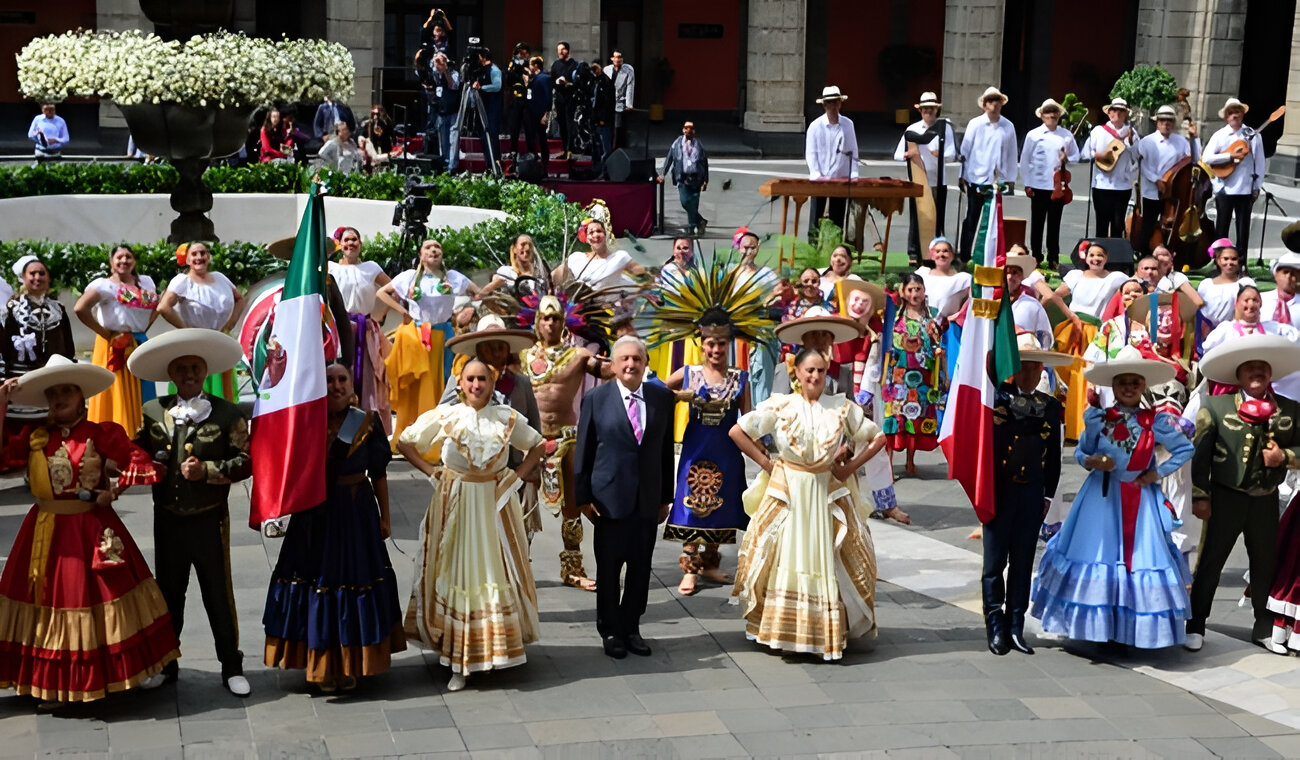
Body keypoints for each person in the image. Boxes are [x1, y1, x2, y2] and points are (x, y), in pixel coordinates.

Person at [0, 356, 175, 704]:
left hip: (90, 529)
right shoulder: (35, 438)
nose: (60, 398)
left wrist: (114, 491)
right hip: (43, 532)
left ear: (82, 397)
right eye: (54, 393)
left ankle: (119, 671)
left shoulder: (100, 433)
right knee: (45, 600)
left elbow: (140, 462)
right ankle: (45, 677)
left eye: (68, 391)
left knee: (104, 596)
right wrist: (2, 403)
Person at [1031, 345, 1194, 648]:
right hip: (1101, 499)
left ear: (1144, 384)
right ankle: (1100, 627)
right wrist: (1094, 462)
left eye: (1135, 382)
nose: (1129, 388)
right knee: (1100, 555)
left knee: (1139, 559)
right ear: (1113, 386)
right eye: (1123, 382)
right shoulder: (1098, 419)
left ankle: (1132, 629)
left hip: (1140, 500)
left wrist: (1155, 473)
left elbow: (1185, 449)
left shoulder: (1155, 421)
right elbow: (1082, 451)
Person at [398, 358, 544, 691]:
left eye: (482, 380)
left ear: (492, 384)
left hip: (494, 507)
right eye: (471, 380)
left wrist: (517, 477)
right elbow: (407, 442)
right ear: (460, 384)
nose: (476, 385)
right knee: (458, 572)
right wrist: (431, 471)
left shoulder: (506, 418)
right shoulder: (448, 415)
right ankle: (459, 659)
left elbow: (537, 445)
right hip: (457, 506)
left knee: (493, 572)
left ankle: (493, 650)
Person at [729, 349, 882, 659]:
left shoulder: (839, 407)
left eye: (820, 371)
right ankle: (782, 630)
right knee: (784, 555)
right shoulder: (782, 405)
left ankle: (821, 631)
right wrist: (766, 462)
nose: (814, 377)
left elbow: (877, 437)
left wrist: (848, 468)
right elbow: (738, 430)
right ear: (796, 372)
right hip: (790, 491)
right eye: (809, 370)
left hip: (824, 490)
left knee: (825, 556)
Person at [263, 362, 406, 691]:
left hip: (356, 514)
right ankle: (322, 664)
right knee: (317, 580)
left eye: (343, 379)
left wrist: (385, 517)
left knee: (354, 581)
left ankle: (353, 663)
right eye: (330, 379)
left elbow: (380, 474)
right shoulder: (306, 421)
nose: (337, 385)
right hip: (314, 516)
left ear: (351, 386)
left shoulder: (367, 423)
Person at [642, 256, 777, 596]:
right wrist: (685, 395)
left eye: (721, 343)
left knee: (725, 501)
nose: (716, 349)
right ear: (701, 343)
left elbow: (749, 421)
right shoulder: (689, 372)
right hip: (696, 447)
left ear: (729, 343)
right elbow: (656, 391)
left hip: (728, 451)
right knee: (691, 501)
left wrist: (763, 454)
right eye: (711, 343)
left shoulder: (740, 378)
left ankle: (712, 563)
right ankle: (689, 566)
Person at [128, 329, 253, 695]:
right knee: (169, 593)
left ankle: (231, 665)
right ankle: (167, 665)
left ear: (204, 371)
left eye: (195, 368)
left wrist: (208, 472)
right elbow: (135, 452)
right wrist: (149, 466)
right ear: (171, 374)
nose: (189, 375)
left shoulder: (228, 412)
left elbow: (246, 463)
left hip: (208, 518)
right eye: (181, 369)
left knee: (218, 593)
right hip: (167, 517)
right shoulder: (153, 411)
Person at [1187, 334, 1300, 652]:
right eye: (1250, 368)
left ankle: (1263, 626)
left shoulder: (1290, 410)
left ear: (1271, 374)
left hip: (1265, 499)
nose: (1257, 373)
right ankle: (1195, 624)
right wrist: (1200, 495)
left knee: (1266, 563)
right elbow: (1200, 456)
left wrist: (1285, 458)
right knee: (1211, 561)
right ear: (1238, 375)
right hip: (1226, 497)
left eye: (1263, 368)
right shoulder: (1216, 407)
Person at [574, 336, 675, 659]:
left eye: (636, 359)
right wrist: (583, 496)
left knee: (641, 568)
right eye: (625, 360)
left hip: (646, 500)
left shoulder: (661, 398)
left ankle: (632, 627)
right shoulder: (596, 398)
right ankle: (611, 630)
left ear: (645, 363)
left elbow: (664, 451)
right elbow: (584, 449)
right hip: (608, 500)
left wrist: (665, 497)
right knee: (608, 569)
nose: (631, 365)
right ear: (614, 365)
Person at [982, 332, 1070, 655]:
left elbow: (1055, 456)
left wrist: (1048, 494)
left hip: (1032, 492)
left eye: (1036, 368)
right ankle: (994, 625)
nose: (1031, 374)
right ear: (1015, 368)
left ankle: (1016, 626)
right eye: (1025, 367)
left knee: (1022, 563)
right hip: (1001, 489)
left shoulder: (1049, 406)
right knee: (994, 563)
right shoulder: (997, 398)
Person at [518, 296, 609, 590]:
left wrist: (626, 355)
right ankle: (515, 567)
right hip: (528, 440)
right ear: (537, 321)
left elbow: (607, 371)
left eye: (555, 318)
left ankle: (573, 568)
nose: (550, 323)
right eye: (545, 318)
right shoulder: (521, 356)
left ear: (563, 322)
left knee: (573, 507)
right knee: (518, 508)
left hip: (567, 438)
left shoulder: (578, 356)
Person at [377, 239, 478, 449]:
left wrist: (470, 310)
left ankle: (440, 438)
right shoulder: (410, 278)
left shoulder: (453, 278)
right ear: (421, 255)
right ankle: (414, 435)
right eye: (428, 247)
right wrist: (403, 311)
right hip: (418, 337)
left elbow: (478, 293)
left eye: (438, 247)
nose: (434, 250)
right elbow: (381, 292)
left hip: (445, 335)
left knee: (445, 383)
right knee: (419, 386)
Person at [73, 244, 160, 435]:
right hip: (115, 344)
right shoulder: (104, 286)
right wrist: (105, 334)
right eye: (119, 257)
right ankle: (118, 436)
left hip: (139, 342)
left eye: (128, 256)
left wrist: (144, 328)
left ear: (135, 261)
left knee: (143, 390)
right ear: (111, 263)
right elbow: (80, 308)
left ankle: (143, 435)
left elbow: (158, 305)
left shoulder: (146, 283)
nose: (124, 260)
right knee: (117, 392)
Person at [1051, 243, 1129, 441]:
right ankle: (1064, 422)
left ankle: (1081, 428)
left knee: (1084, 377)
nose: (1096, 259)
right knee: (1064, 375)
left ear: (1106, 258)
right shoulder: (1076, 276)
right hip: (1072, 329)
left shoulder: (1114, 278)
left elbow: (1135, 287)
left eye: (1100, 255)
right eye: (1092, 255)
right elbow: (1055, 295)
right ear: (1085, 257)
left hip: (1094, 332)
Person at [156, 241, 245, 400]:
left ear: (208, 257)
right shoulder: (182, 281)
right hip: (195, 343)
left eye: (203, 253)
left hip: (219, 339)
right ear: (187, 260)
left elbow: (240, 299)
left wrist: (229, 324)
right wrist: (185, 329)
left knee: (221, 386)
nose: (199, 257)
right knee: (196, 381)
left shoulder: (219, 278)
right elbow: (163, 307)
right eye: (194, 254)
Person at [328, 227, 393, 432]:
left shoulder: (371, 267)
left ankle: (367, 430)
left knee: (368, 381)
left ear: (360, 244)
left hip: (364, 330)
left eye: (354, 239)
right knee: (341, 373)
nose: (350, 244)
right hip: (339, 327)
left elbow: (394, 288)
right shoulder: (331, 267)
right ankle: (339, 429)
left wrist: (381, 315)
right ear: (340, 245)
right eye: (346, 240)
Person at [2, 256, 76, 429]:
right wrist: (5, 378)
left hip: (50, 376)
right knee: (20, 429)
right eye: (32, 274)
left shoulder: (58, 308)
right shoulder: (12, 309)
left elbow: (68, 345)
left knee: (49, 424)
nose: (37, 277)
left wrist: (71, 373)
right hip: (20, 376)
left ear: (48, 278)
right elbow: (4, 347)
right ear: (23, 278)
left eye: (41, 273)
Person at [882, 273, 944, 477]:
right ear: (904, 292)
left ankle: (911, 460)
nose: (914, 293)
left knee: (916, 415)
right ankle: (888, 462)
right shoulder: (896, 314)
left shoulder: (932, 315)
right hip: (899, 373)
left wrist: (938, 352)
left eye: (918, 289)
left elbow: (937, 341)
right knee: (895, 415)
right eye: (910, 289)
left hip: (923, 373)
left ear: (924, 290)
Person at [895, 91, 957, 263]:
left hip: (938, 181)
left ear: (937, 110)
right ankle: (914, 252)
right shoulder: (912, 130)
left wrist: (940, 154)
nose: (928, 112)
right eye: (925, 109)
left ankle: (936, 251)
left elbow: (952, 154)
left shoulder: (945, 129)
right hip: (918, 180)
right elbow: (897, 154)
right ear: (920, 111)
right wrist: (909, 154)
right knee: (917, 217)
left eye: (931, 109)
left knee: (937, 218)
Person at [958, 87, 1018, 263]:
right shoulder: (975, 124)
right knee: (972, 218)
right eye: (990, 101)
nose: (994, 105)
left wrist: (1011, 179)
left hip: (997, 179)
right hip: (976, 177)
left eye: (997, 101)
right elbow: (965, 151)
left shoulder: (1008, 126)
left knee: (993, 219)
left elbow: (1012, 154)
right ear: (984, 105)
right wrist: (962, 175)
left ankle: (990, 255)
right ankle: (965, 255)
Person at [1020, 99, 1080, 268]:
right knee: (1037, 223)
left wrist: (1066, 158)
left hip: (1058, 185)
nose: (1051, 115)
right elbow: (1025, 160)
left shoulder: (1066, 135)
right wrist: (1027, 183)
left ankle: (1053, 257)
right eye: (1048, 112)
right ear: (1042, 115)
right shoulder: (1033, 135)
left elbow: (1077, 155)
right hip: (1038, 185)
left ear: (1058, 115)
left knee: (1054, 223)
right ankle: (1036, 256)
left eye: (1054, 112)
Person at [1135, 105, 1200, 256]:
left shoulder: (1181, 141)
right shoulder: (1147, 141)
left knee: (1172, 225)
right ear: (1157, 122)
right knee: (1149, 224)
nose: (1166, 124)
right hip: (1152, 190)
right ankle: (1145, 254)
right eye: (1163, 120)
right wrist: (1156, 180)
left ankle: (1170, 255)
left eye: (1169, 121)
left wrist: (1194, 139)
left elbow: (1194, 159)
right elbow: (1142, 165)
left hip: (1174, 191)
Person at [1203, 98, 1265, 254]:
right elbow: (1207, 158)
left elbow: (1260, 163)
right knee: (1221, 228)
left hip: (1245, 188)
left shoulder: (1253, 135)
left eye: (1237, 112)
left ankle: (1242, 263)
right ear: (1226, 116)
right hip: (1224, 188)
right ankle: (1218, 262)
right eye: (1231, 113)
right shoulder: (1220, 135)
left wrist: (1256, 187)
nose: (1234, 116)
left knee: (1243, 230)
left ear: (1242, 114)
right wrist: (1229, 156)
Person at [1078, 98, 1138, 238]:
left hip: (1122, 186)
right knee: (1101, 224)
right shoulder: (1098, 131)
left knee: (1118, 225)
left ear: (1125, 114)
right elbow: (1085, 153)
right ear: (1109, 113)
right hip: (1101, 185)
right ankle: (1100, 256)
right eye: (1114, 110)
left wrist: (1130, 143)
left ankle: (1115, 258)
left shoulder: (1131, 133)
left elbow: (1138, 156)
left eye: (1121, 111)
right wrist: (1098, 155)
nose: (1117, 113)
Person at [735, 230, 782, 405]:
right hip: (737, 333)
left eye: (752, 248)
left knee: (761, 376)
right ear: (739, 248)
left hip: (761, 332)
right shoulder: (730, 274)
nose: (748, 252)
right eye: (745, 247)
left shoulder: (767, 275)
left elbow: (778, 299)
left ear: (758, 249)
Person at [915, 236, 971, 379]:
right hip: (921, 330)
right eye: (938, 251)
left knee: (946, 374)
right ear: (932, 255)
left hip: (946, 332)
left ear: (952, 255)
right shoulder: (921, 274)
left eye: (945, 251)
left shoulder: (962, 279)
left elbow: (972, 301)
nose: (941, 254)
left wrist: (957, 316)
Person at [805, 86, 858, 234]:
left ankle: (836, 250)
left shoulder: (848, 124)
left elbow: (853, 151)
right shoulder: (815, 126)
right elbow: (810, 153)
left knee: (838, 220)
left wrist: (853, 173)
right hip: (820, 178)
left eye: (835, 102)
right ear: (824, 105)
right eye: (829, 103)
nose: (832, 106)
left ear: (839, 104)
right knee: (816, 219)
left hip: (840, 178)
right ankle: (812, 249)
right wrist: (815, 174)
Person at [552, 215, 646, 288]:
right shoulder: (576, 258)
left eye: (599, 231)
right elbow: (554, 278)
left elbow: (643, 275)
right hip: (584, 308)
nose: (596, 235)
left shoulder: (620, 257)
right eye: (591, 232)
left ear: (605, 235)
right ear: (587, 239)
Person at [658, 121, 710, 236]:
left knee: (693, 204)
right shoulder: (677, 144)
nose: (688, 130)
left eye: (691, 128)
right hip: (682, 178)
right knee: (685, 202)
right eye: (686, 128)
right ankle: (701, 221)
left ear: (694, 131)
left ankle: (692, 228)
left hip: (696, 179)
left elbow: (704, 163)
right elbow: (669, 159)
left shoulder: (699, 145)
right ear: (683, 130)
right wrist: (663, 174)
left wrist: (705, 180)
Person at [1196, 239, 1256, 331]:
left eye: (1234, 259)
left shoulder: (1245, 284)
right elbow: (1201, 310)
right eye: (1226, 259)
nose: (1230, 263)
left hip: (1234, 331)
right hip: (1208, 331)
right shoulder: (1206, 284)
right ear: (1218, 260)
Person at [420, 51, 461, 169]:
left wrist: (445, 69)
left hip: (453, 111)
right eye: (436, 63)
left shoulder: (453, 73)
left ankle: (452, 165)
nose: (438, 66)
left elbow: (453, 85)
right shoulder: (434, 74)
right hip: (440, 111)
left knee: (453, 139)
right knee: (443, 139)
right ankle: (444, 162)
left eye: (440, 63)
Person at [1005, 252, 1052, 349]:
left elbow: (1044, 338)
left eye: (1014, 273)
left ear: (1022, 276)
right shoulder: (989, 302)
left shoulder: (1033, 305)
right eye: (1006, 272)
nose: (1010, 277)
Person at [481, 233, 550, 296]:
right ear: (514, 249)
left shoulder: (541, 276)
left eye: (529, 245)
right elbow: (485, 292)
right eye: (523, 244)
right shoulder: (507, 272)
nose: (527, 248)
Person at [471, 47, 504, 167]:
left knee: (492, 135)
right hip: (483, 106)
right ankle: (488, 163)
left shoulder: (494, 70)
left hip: (493, 108)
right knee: (484, 136)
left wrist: (482, 88)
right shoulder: (480, 70)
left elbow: (497, 86)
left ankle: (495, 163)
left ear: (484, 57)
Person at [502, 42, 533, 162]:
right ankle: (513, 150)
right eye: (520, 52)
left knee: (529, 127)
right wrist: (514, 67)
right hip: (515, 99)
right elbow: (508, 80)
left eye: (524, 53)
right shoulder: (513, 65)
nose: (522, 55)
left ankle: (531, 151)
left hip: (528, 99)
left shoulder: (530, 65)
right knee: (514, 127)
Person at [549, 42, 581, 157]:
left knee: (569, 123)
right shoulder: (556, 64)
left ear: (568, 50)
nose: (560, 52)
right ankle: (564, 149)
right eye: (558, 50)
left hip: (570, 98)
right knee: (562, 124)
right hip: (559, 98)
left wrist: (567, 83)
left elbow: (578, 83)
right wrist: (557, 82)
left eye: (562, 49)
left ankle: (570, 149)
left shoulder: (575, 65)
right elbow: (551, 81)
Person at [590, 62, 616, 174]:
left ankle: (603, 171)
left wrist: (600, 118)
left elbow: (603, 103)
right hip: (601, 119)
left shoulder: (603, 83)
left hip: (603, 120)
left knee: (605, 148)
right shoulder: (601, 82)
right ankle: (601, 170)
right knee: (601, 146)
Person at [606, 49, 635, 149]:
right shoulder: (607, 70)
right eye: (616, 57)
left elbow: (630, 87)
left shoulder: (628, 70)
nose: (618, 60)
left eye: (620, 57)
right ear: (612, 59)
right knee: (608, 127)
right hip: (608, 102)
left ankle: (619, 148)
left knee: (618, 127)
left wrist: (629, 104)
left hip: (620, 102)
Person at [1262, 252, 1300, 326]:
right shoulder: (1261, 300)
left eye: (1293, 274)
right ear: (1276, 274)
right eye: (1285, 272)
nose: (1288, 276)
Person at [526, 56, 553, 159]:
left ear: (535, 66)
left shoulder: (545, 78)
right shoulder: (533, 79)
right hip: (532, 112)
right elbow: (529, 96)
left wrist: (546, 114)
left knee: (542, 137)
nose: (529, 67)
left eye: (530, 65)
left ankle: (545, 160)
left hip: (541, 112)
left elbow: (548, 96)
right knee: (533, 136)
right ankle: (534, 157)